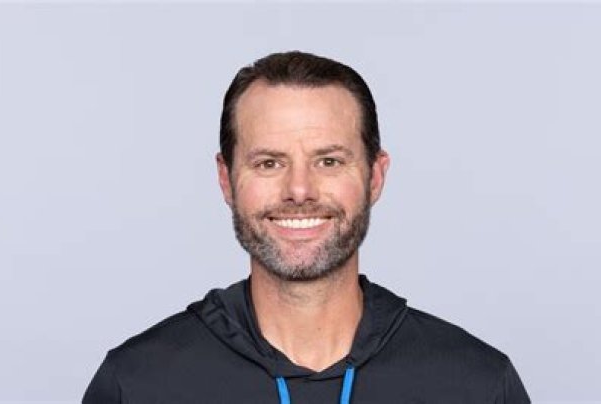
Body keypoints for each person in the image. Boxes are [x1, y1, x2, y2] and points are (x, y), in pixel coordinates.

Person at [83, 51, 531, 403]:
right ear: (226, 179)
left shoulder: (476, 384)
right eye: (269, 162)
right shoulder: (138, 384)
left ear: (375, 176)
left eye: (329, 161)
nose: (299, 190)